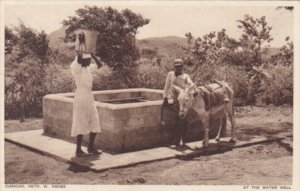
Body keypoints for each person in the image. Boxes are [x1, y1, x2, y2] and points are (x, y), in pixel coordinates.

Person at [70, 31, 103, 157]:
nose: (90, 62)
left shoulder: (88, 68)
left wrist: (92, 54)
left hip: (89, 96)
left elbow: (100, 65)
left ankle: (91, 147)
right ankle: (78, 149)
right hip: (81, 96)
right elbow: (78, 57)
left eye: (90, 60)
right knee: (80, 121)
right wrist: (81, 43)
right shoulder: (76, 68)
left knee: (94, 120)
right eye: (88, 60)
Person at [163, 58, 194, 146]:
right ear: (174, 67)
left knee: (182, 120)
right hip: (174, 100)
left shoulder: (185, 76)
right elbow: (166, 86)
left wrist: (187, 91)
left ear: (182, 67)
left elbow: (191, 85)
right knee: (176, 121)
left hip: (183, 100)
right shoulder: (170, 74)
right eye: (177, 67)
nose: (178, 68)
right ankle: (177, 140)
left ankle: (183, 140)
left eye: (180, 67)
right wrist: (165, 97)